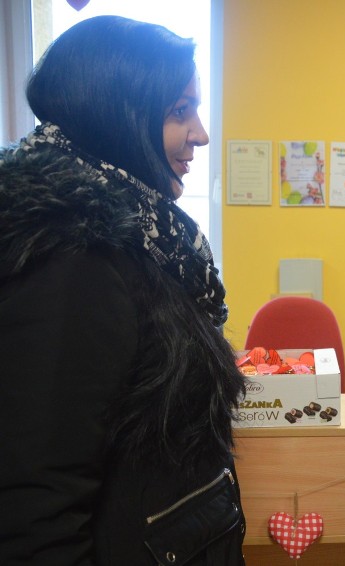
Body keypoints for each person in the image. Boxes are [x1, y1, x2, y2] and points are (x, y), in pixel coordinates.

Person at [0, 16, 247, 564]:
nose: (201, 133)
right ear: (118, 113)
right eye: (179, 111)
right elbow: (37, 505)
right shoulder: (70, 257)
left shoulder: (141, 235)